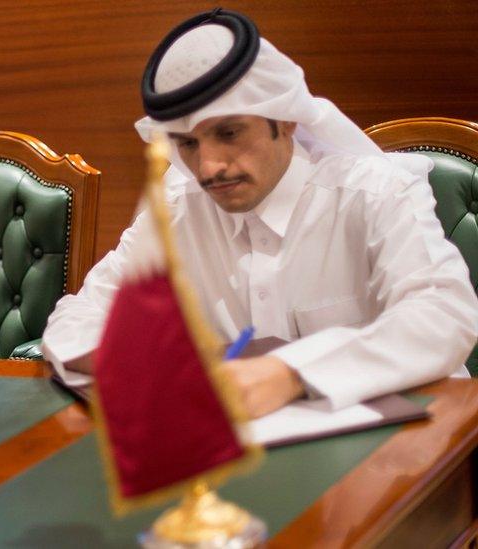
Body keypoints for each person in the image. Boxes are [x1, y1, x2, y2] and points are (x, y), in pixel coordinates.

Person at [42, 9, 478, 418]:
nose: (208, 167)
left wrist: (290, 373)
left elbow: (443, 314)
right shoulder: (176, 211)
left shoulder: (374, 192)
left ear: (285, 119)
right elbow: (78, 318)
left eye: (228, 133)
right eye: (188, 145)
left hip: (406, 450)